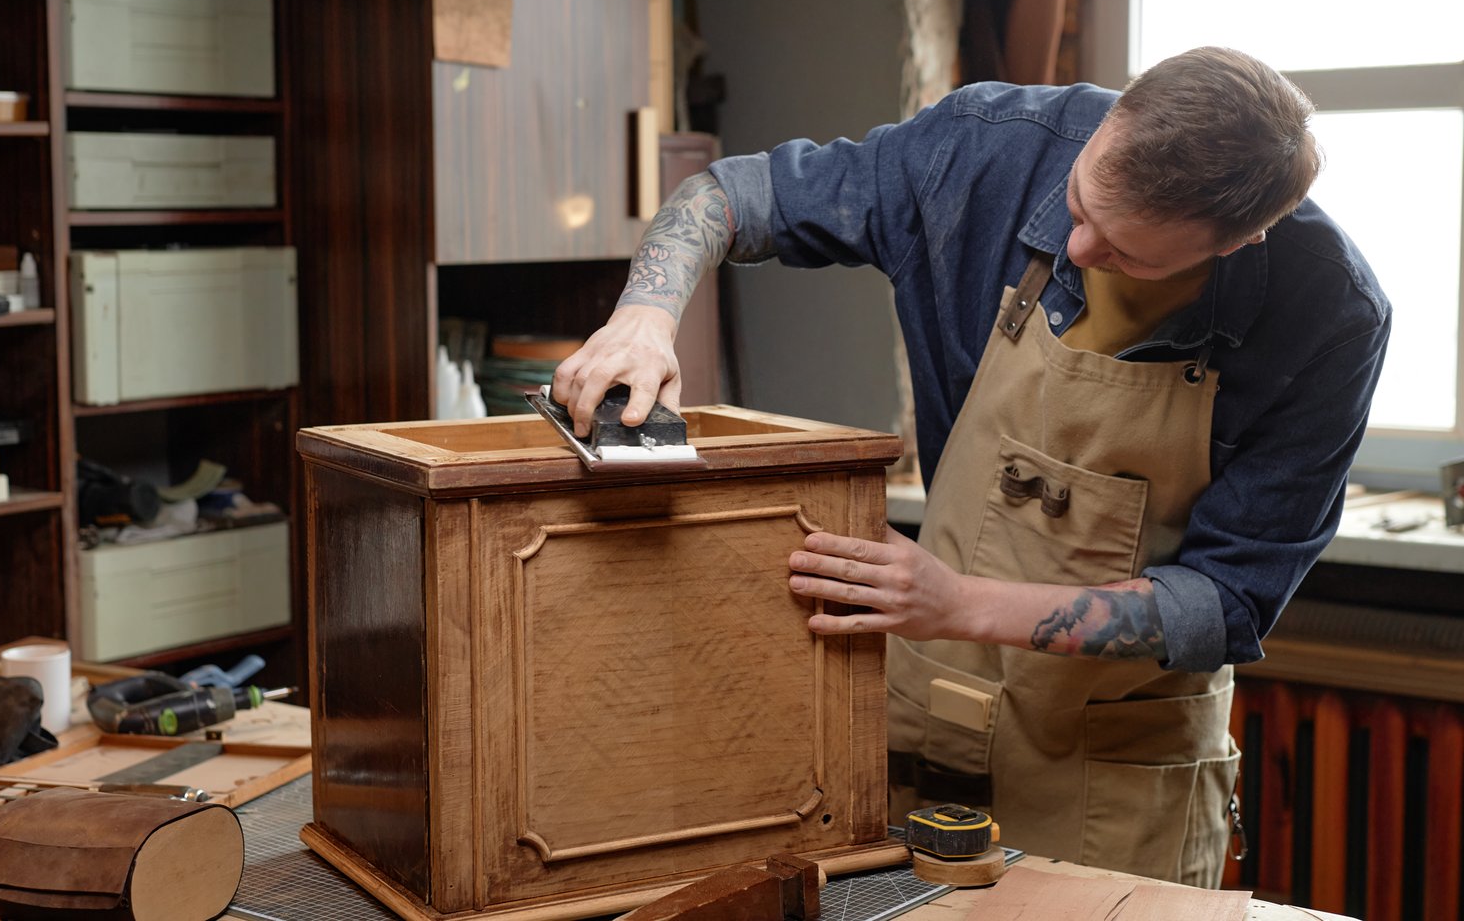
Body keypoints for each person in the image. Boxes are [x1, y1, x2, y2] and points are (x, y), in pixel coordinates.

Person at [551, 47, 1390, 888]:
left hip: (1116, 770)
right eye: (1079, 201)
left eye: (1130, 255)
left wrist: (959, 602)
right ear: (1116, 116)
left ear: (1241, 241)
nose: (1079, 246)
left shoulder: (1331, 315)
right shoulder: (989, 147)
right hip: (919, 725)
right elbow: (726, 195)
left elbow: (1227, 602)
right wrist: (644, 318)